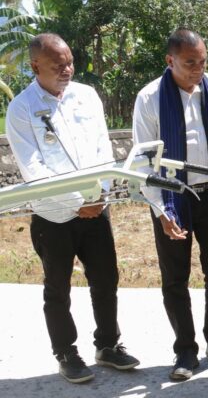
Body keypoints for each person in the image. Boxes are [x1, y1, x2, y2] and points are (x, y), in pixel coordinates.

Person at [5, 33, 140, 384]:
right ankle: (66, 353)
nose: (67, 69)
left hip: (97, 207)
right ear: (36, 67)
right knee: (57, 288)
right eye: (57, 65)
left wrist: (98, 197)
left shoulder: (87, 96)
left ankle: (108, 345)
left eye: (69, 61)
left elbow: (102, 150)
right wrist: (80, 203)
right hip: (53, 215)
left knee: (106, 279)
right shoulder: (21, 108)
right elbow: (33, 168)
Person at [132, 28, 208, 381]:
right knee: (175, 277)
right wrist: (162, 210)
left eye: (203, 61)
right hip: (172, 197)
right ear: (170, 60)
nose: (199, 69)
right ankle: (185, 350)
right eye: (190, 62)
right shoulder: (149, 98)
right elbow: (143, 162)